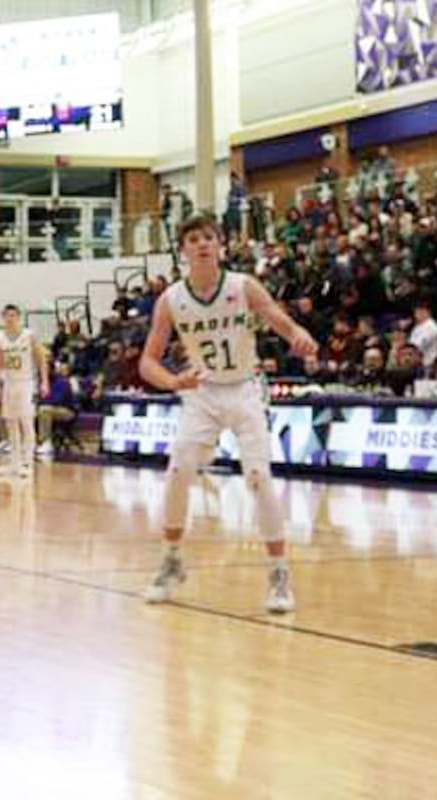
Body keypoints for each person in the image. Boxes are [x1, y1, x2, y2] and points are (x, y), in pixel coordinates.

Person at [139, 213, 317, 614]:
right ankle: (171, 561)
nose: (201, 244)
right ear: (183, 250)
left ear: (220, 245)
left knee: (258, 476)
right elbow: (148, 362)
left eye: (208, 238)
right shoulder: (171, 300)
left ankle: (278, 571)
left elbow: (278, 319)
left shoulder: (242, 286)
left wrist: (297, 335)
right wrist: (171, 382)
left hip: (243, 388)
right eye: (193, 239)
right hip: (200, 392)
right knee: (178, 472)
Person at [0, 305, 49, 479]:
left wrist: (44, 382)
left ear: (19, 317)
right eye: (7, 315)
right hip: (9, 383)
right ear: (3, 317)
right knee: (11, 423)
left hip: (26, 383)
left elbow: (42, 360)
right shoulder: (1, 336)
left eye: (13, 315)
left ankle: (28, 463)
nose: (10, 318)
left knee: (26, 422)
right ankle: (14, 463)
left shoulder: (29, 335)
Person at [409, 302, 437, 368]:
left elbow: (417, 346)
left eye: (421, 311)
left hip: (429, 363)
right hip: (417, 362)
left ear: (428, 312)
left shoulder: (431, 326)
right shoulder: (417, 326)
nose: (417, 314)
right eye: (416, 311)